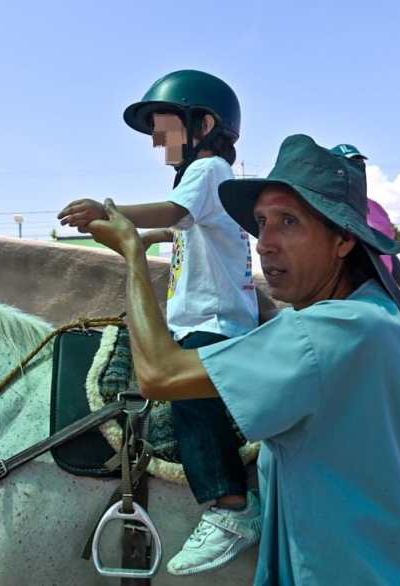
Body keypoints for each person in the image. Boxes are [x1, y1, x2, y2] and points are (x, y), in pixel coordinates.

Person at [85, 134, 400, 585]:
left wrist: (134, 253)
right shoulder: (379, 314)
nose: (265, 243)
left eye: (289, 222)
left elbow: (159, 374)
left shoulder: (323, 332)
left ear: (343, 241)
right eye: (261, 222)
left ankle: (228, 507)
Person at [57, 70, 260, 575]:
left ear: (203, 124)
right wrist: (141, 241)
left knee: (190, 399)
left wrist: (109, 209)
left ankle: (230, 506)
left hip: (214, 323)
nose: (155, 140)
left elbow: (171, 210)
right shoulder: (207, 184)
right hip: (203, 317)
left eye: (162, 127)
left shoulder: (209, 169)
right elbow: (181, 231)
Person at [331, 143, 400, 311]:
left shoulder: (377, 209)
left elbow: (388, 254)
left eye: (359, 164)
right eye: (346, 164)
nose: (355, 169)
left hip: (383, 298)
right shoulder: (327, 210)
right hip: (351, 302)